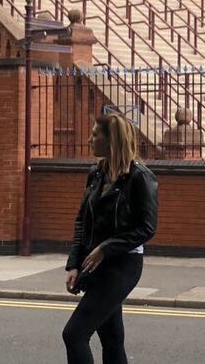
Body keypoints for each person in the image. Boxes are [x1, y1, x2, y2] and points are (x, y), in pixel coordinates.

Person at [62, 113, 159, 364]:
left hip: (122, 266)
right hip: (95, 264)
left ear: (112, 140)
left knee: (74, 334)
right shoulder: (96, 173)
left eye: (95, 135)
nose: (89, 140)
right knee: (112, 340)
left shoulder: (140, 177)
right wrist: (74, 264)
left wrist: (106, 248)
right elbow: (82, 220)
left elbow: (147, 228)